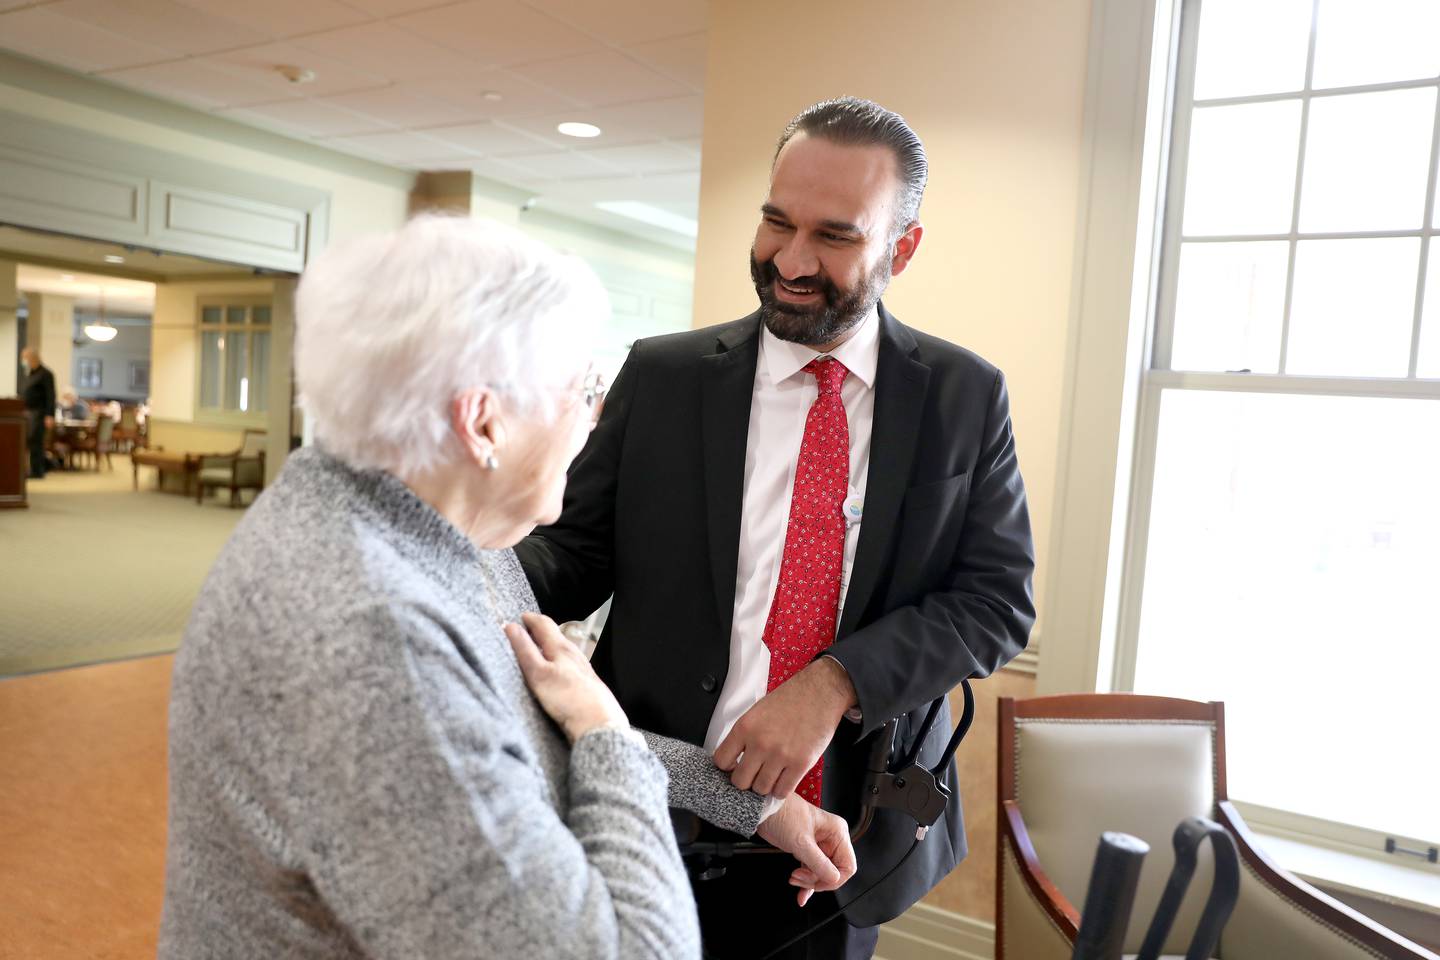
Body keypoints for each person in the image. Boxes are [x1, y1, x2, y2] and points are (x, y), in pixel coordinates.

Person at [159, 215, 855, 960]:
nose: (592, 421)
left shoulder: (423, 529)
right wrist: (606, 737)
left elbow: (519, 728)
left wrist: (751, 803)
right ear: (484, 424)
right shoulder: (373, 639)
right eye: (580, 390)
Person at [516, 97, 1036, 958]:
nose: (790, 261)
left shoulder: (962, 397)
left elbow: (995, 601)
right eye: (774, 222)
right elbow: (569, 556)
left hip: (837, 834)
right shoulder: (664, 376)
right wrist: (440, 558)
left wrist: (835, 683)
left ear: (901, 247)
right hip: (651, 806)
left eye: (834, 236)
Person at [19, 347, 55, 479]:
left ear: (32, 358)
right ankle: (33, 468)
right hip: (28, 413)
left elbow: (51, 396)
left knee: (37, 442)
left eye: (25, 357)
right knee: (30, 442)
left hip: (39, 414)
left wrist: (50, 415)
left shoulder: (46, 374)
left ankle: (38, 471)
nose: (23, 361)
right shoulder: (31, 374)